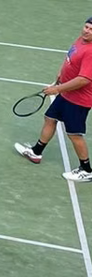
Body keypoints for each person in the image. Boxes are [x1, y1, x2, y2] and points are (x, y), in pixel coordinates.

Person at [15, 18, 92, 183]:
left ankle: (86, 170)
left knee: (74, 134)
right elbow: (69, 59)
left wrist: (57, 89)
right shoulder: (81, 40)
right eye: (86, 27)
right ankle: (36, 152)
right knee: (50, 118)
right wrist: (59, 78)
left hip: (78, 100)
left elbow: (83, 80)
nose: (87, 31)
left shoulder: (91, 52)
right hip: (66, 93)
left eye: (91, 30)